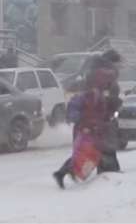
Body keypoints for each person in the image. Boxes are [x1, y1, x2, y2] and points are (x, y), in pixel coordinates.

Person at [52, 56, 117, 189]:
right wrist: (85, 122)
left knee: (88, 152)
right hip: (87, 128)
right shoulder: (92, 94)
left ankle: (68, 171)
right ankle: (66, 172)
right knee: (88, 152)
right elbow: (81, 111)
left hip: (92, 127)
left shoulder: (98, 93)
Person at [99, 49, 124, 173]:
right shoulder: (104, 77)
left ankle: (108, 168)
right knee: (106, 145)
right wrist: (116, 102)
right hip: (104, 117)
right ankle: (108, 169)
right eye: (117, 63)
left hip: (107, 116)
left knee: (108, 144)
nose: (119, 66)